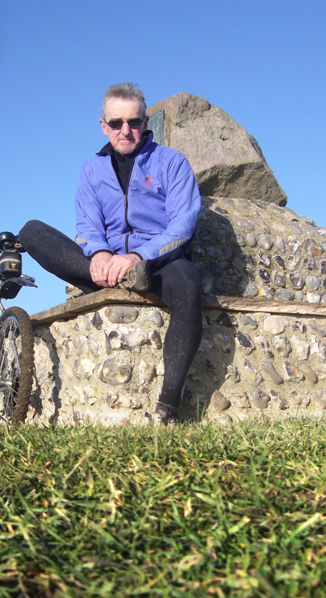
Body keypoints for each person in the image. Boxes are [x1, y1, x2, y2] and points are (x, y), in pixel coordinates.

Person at [19, 83, 203, 425]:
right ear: (103, 126)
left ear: (146, 123)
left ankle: (167, 408)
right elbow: (87, 225)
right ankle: (108, 278)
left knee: (190, 285)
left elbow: (182, 225)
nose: (125, 130)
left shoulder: (172, 163)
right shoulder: (92, 170)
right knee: (31, 231)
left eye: (133, 122)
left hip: (157, 265)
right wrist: (100, 254)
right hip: (104, 269)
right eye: (116, 123)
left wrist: (138, 258)